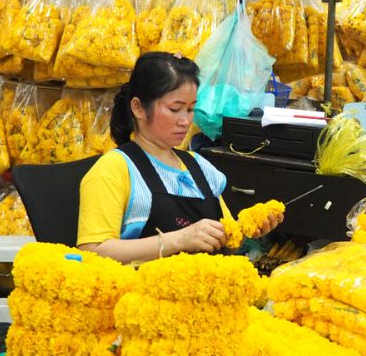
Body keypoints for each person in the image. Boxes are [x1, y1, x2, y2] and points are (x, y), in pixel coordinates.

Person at [77, 53, 284, 264]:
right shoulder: (113, 169)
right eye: (175, 109)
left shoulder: (199, 166)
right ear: (138, 107)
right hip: (139, 292)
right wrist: (179, 239)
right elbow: (93, 252)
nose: (185, 121)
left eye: (191, 109)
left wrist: (245, 232)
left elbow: (226, 245)